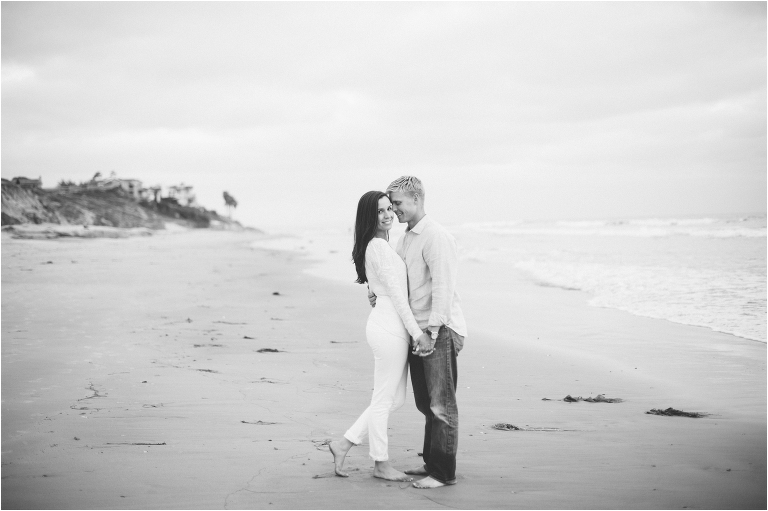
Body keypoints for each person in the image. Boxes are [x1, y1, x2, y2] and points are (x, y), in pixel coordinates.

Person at [328, 190, 432, 481]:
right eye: (379, 211)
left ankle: (343, 444)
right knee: (385, 399)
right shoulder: (377, 246)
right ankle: (380, 463)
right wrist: (418, 333)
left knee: (393, 399)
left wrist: (374, 292)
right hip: (389, 328)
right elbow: (397, 296)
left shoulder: (381, 246)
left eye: (389, 208)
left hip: (390, 325)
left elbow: (381, 285)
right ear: (368, 217)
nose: (388, 215)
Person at [374, 176, 467, 489]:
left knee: (442, 405)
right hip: (419, 331)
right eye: (390, 204)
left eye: (397, 203)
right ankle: (431, 462)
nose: (393, 210)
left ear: (416, 199)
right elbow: (401, 282)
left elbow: (443, 287)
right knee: (426, 405)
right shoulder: (406, 239)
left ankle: (443, 473)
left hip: (438, 330)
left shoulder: (436, 237)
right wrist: (377, 294)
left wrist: (433, 332)